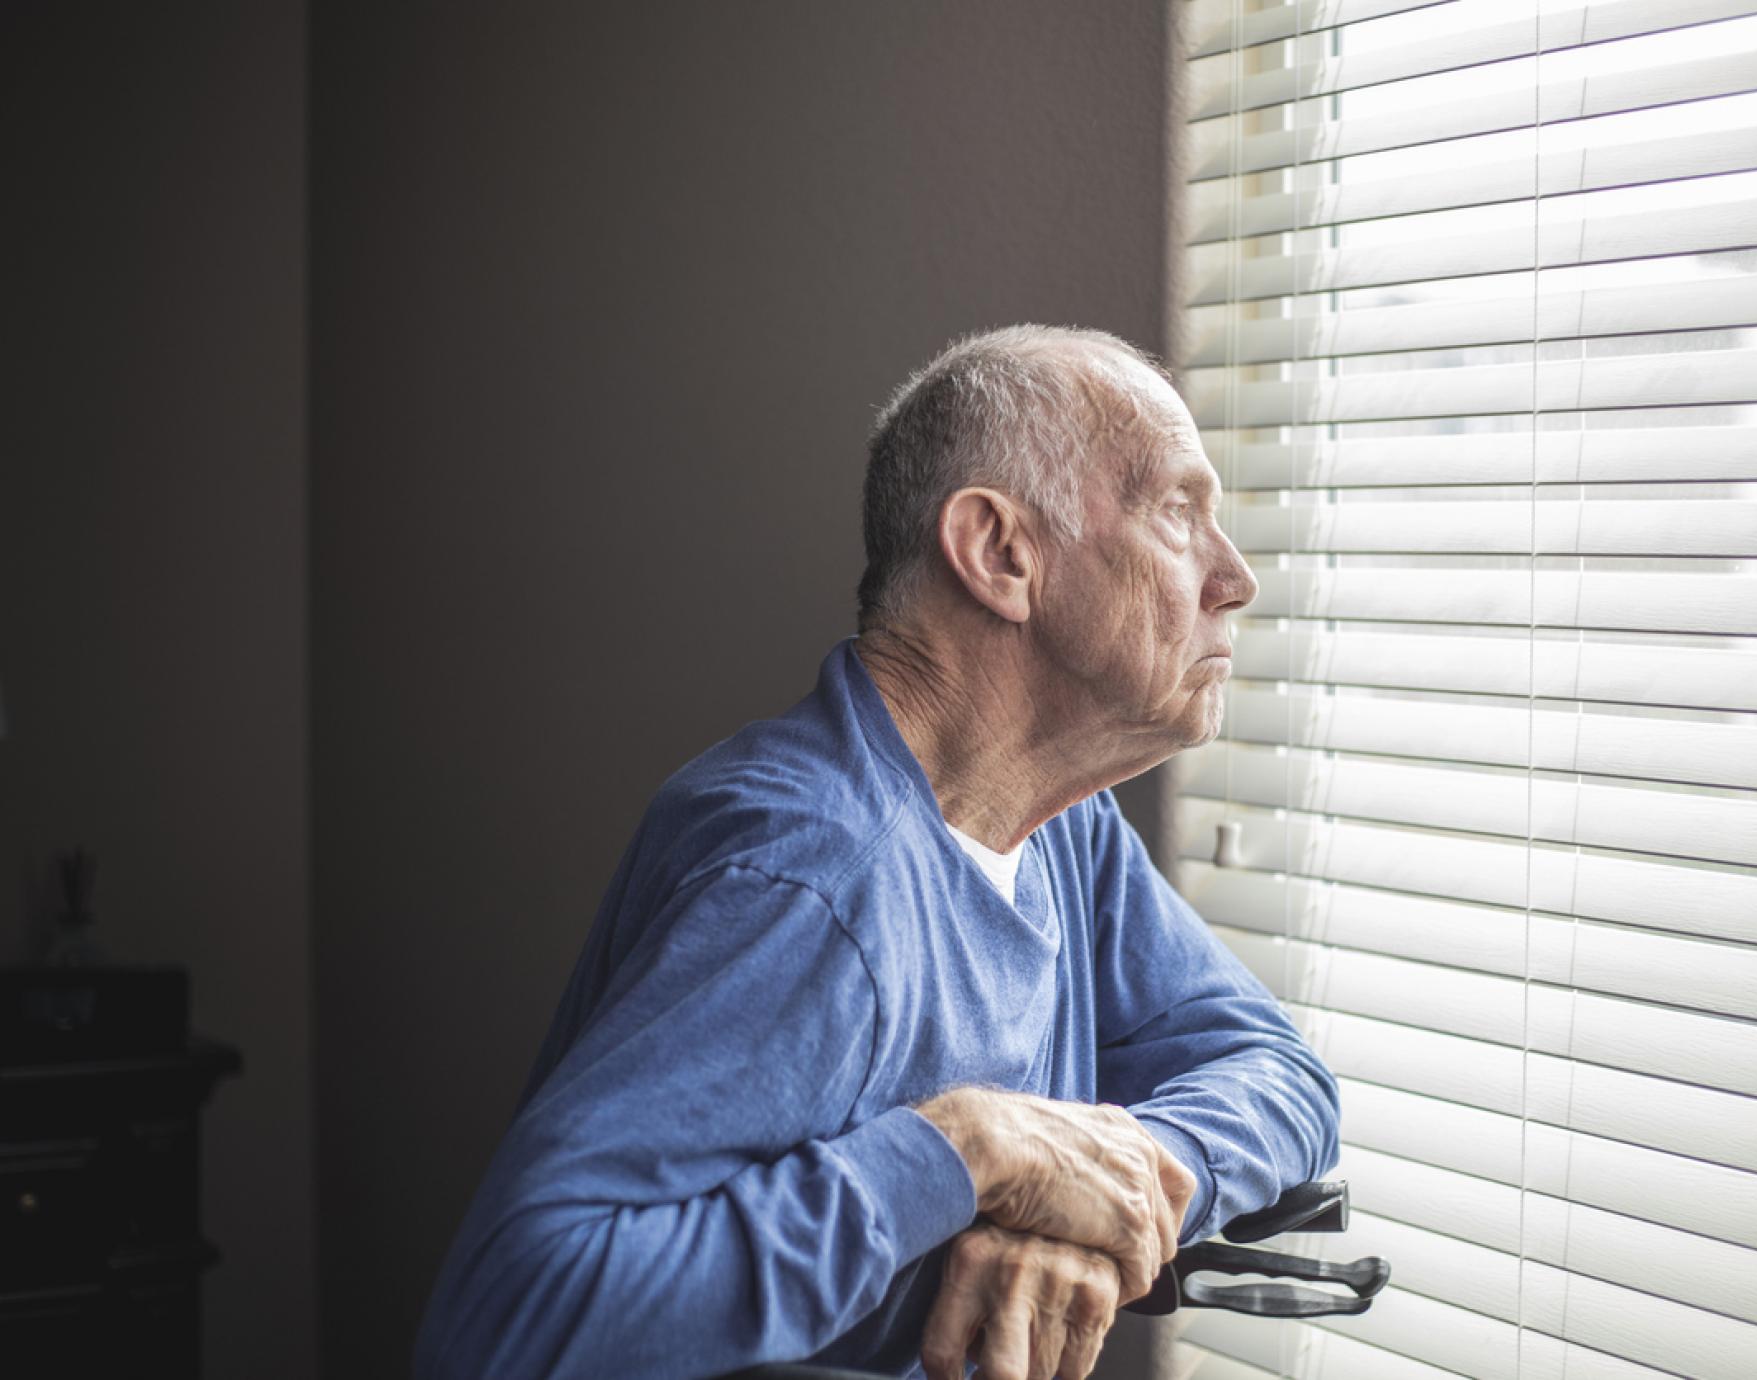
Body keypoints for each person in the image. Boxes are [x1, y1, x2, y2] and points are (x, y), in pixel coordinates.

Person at [412, 325, 1340, 1380]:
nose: (1235, 578)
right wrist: (970, 1152)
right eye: (1177, 513)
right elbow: (511, 1320)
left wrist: (1118, 1181)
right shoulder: (814, 875)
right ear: (1001, 555)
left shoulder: (1056, 826)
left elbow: (1281, 1074)